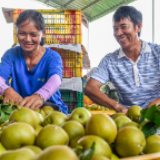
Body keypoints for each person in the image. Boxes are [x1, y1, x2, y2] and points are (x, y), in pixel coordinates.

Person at [84, 5, 160, 114]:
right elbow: (90, 88)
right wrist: (118, 107)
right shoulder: (110, 60)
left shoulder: (157, 53)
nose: (118, 33)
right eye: (115, 28)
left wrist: (155, 103)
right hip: (126, 119)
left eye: (124, 27)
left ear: (138, 27)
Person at [0, 10, 68, 114]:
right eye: (22, 33)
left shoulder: (52, 57)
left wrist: (40, 96)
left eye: (33, 35)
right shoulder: (10, 55)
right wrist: (6, 90)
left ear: (43, 34)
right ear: (17, 32)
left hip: (48, 106)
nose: (27, 39)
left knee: (46, 108)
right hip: (20, 108)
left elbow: (56, 79)